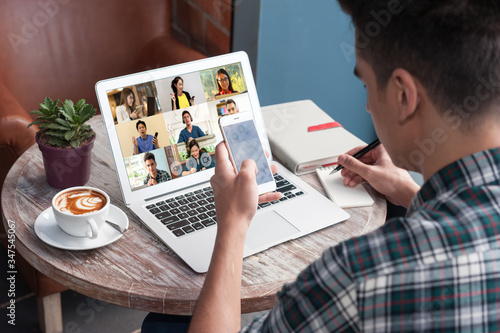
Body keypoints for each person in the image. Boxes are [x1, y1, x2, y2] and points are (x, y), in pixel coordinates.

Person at [143, 0, 500, 331]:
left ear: (403, 96)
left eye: (366, 86)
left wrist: (232, 224)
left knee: (162, 325)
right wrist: (410, 192)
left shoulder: (359, 276)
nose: (368, 109)